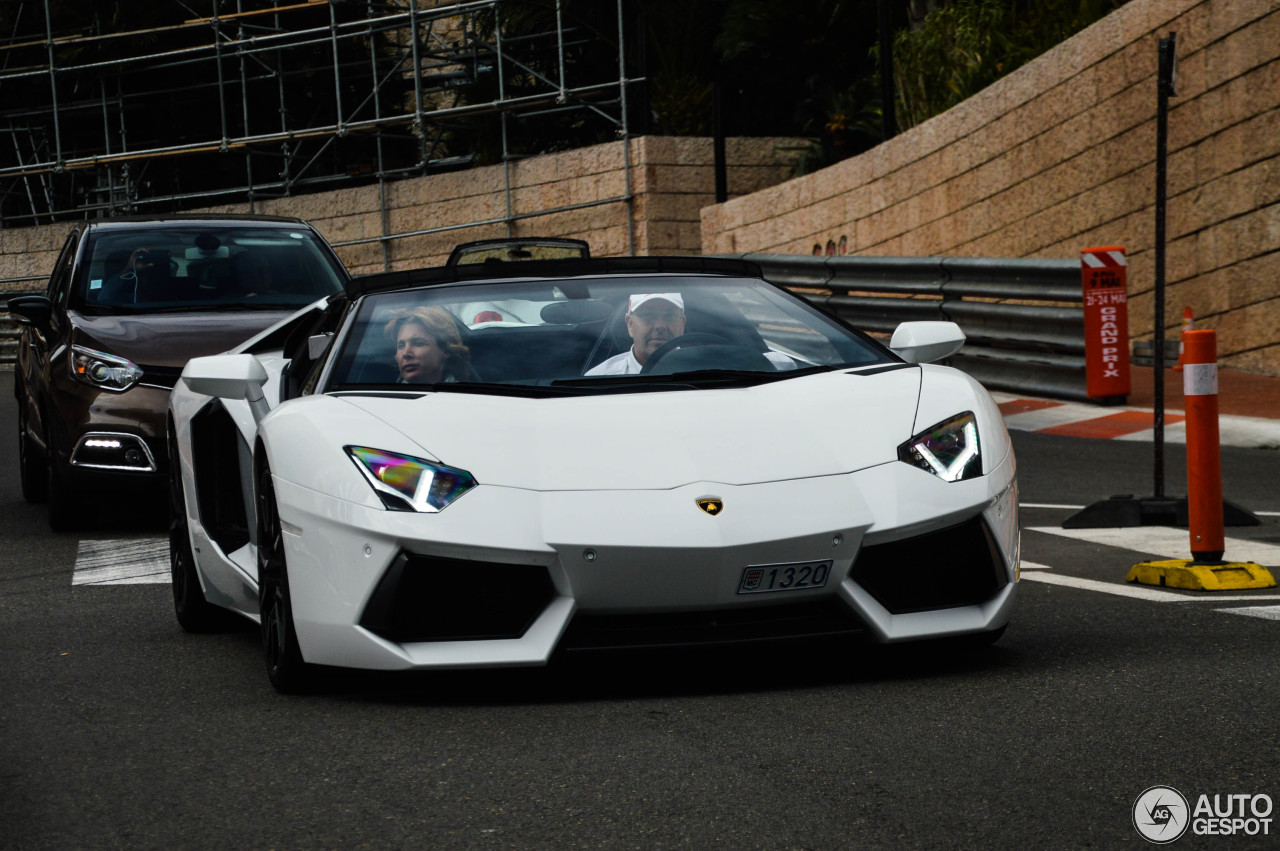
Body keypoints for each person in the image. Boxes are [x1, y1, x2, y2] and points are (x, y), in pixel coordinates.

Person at [585, 292, 686, 376]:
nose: (660, 326)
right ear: (630, 324)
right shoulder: (600, 378)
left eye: (670, 316)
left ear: (682, 324)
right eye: (648, 315)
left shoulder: (700, 371)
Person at [384, 306, 473, 384]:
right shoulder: (384, 400)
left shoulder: (468, 398)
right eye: (401, 346)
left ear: (445, 350)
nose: (406, 353)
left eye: (418, 343)